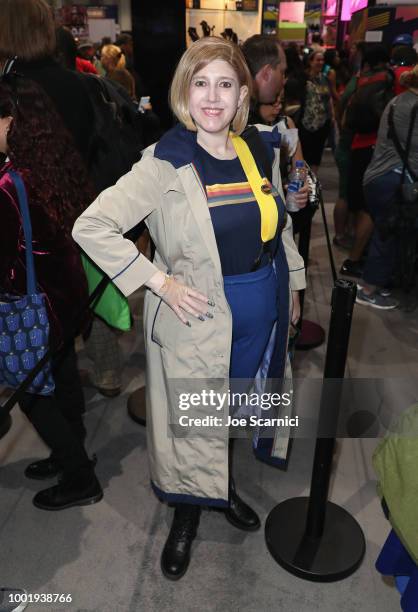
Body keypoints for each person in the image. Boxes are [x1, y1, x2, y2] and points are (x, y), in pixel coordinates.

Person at [73, 37, 305, 580]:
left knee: (227, 415)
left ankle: (218, 488)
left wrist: (292, 285)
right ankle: (186, 512)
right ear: (184, 91)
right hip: (196, 323)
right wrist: (158, 282)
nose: (212, 96)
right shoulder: (163, 162)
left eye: (225, 84)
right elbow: (92, 226)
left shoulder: (255, 150)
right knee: (194, 425)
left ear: (243, 93)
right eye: (200, 83)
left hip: (257, 318)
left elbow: (278, 226)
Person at [0, 73, 102, 510]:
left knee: (32, 396)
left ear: (9, 121)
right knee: (60, 377)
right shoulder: (51, 161)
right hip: (64, 295)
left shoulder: (9, 181)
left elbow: (5, 262)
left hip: (35, 305)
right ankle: (70, 453)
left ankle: (80, 476)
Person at [356, 66, 418, 309]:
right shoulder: (411, 106)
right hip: (392, 180)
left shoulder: (400, 100)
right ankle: (369, 288)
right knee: (387, 235)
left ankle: (375, 284)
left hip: (382, 179)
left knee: (387, 234)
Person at [339, 45, 393, 278]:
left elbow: (343, 102)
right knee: (368, 206)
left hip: (356, 143)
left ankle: (349, 238)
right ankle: (356, 255)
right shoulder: (391, 81)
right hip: (378, 148)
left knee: (353, 197)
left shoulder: (360, 80)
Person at [297, 50, 333, 174]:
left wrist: (331, 117)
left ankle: (313, 181)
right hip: (305, 123)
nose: (320, 62)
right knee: (305, 154)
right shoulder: (303, 79)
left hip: (322, 123)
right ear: (310, 62)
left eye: (322, 60)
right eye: (317, 60)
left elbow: (329, 99)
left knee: (316, 156)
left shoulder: (325, 79)